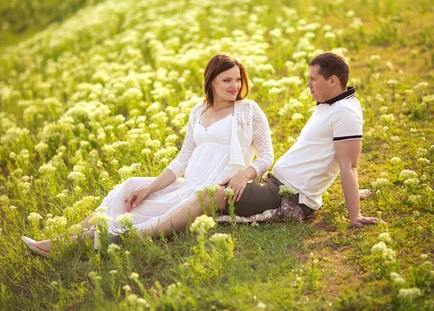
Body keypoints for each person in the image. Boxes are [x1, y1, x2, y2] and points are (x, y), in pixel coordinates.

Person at [22, 54, 273, 256]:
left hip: (208, 189)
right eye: (227, 80)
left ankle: (64, 246)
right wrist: (151, 187)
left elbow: (266, 156)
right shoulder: (198, 111)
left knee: (135, 216)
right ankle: (65, 236)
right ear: (211, 82)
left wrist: (245, 174)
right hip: (188, 183)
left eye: (238, 80)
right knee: (131, 186)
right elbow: (183, 158)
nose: (235, 86)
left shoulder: (248, 110)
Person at [227, 52, 378, 227]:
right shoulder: (331, 105)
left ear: (333, 81)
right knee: (217, 181)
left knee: (216, 196)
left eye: (313, 79)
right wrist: (355, 191)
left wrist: (355, 215)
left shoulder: (344, 113)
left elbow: (349, 166)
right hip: (275, 184)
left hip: (289, 196)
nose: (308, 85)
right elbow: (321, 153)